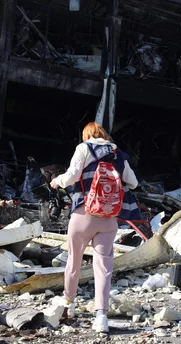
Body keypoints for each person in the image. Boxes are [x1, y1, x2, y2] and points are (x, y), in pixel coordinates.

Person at [50, 122, 139, 333]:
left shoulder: (84, 148)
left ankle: (69, 305)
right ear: (103, 135)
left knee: (74, 262)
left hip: (84, 214)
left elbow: (71, 176)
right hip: (109, 218)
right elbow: (133, 182)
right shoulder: (117, 153)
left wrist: (57, 181)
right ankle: (101, 317)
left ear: (87, 135)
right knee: (104, 268)